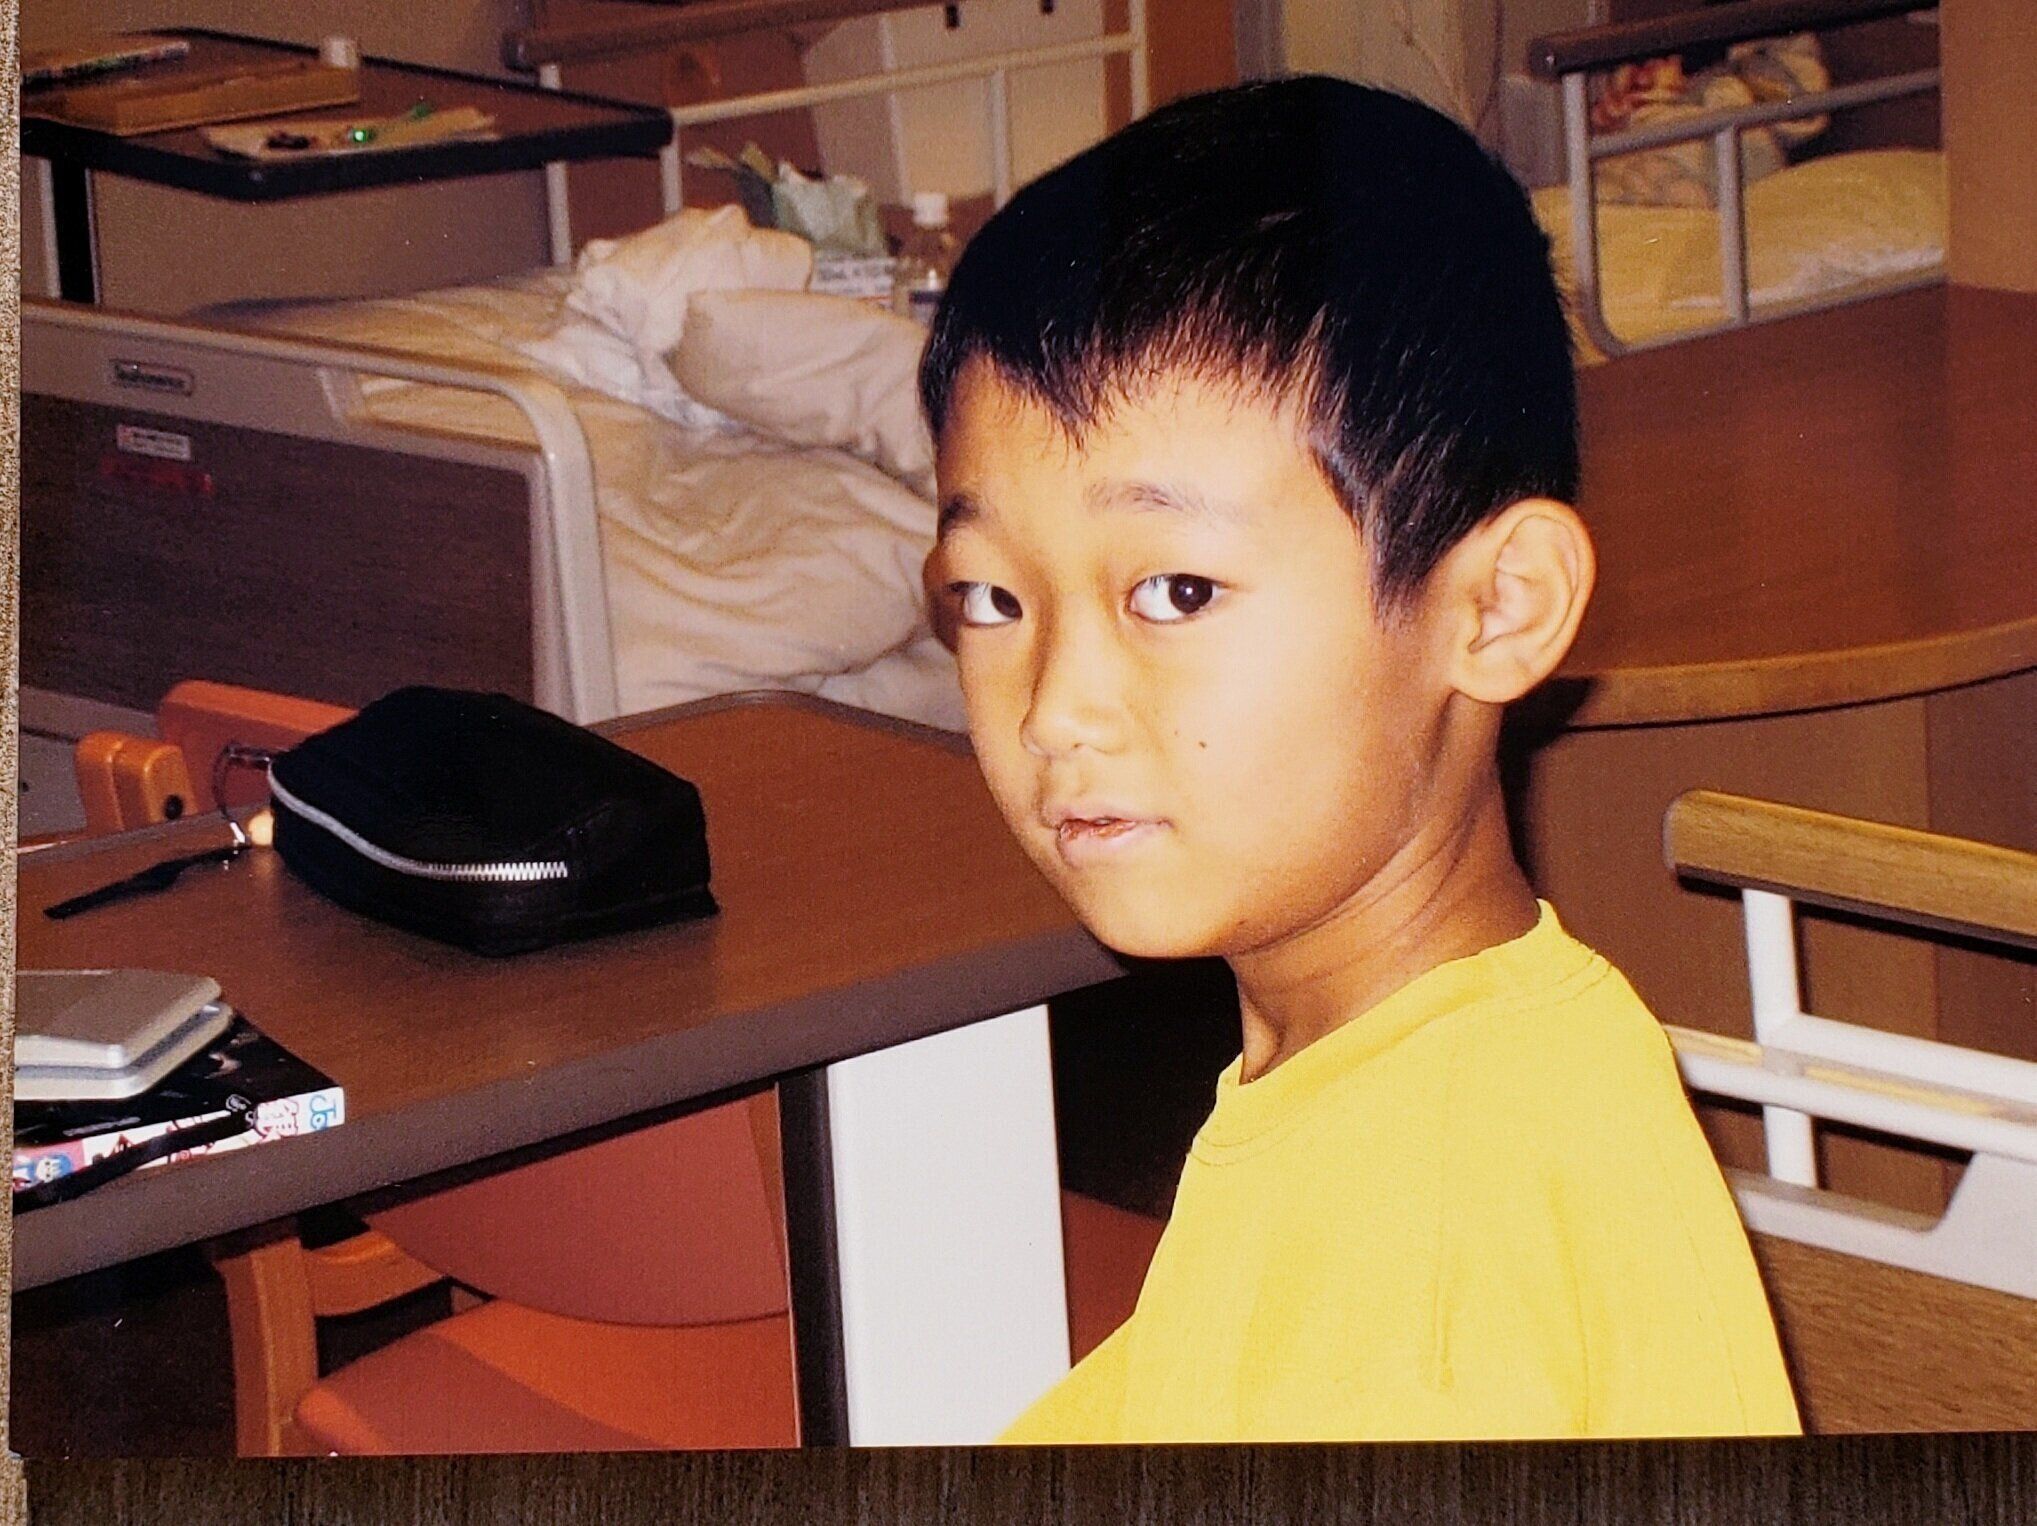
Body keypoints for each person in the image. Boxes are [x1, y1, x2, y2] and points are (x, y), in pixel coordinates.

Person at [917, 76, 1800, 1442]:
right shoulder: (1413, 1070)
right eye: (991, 598)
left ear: (1495, 607)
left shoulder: (1431, 1263)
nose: (1054, 710)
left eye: (1175, 592)